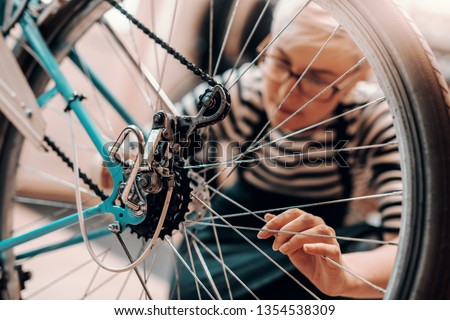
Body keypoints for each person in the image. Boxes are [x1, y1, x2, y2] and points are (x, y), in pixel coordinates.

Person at [172, 0, 402, 299]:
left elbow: (409, 242)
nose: (287, 92)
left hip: (321, 248)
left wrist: (343, 274)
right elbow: (163, 139)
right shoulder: (241, 92)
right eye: (281, 62)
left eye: (317, 80)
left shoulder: (372, 118)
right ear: (267, 46)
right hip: (231, 239)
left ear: (354, 81)